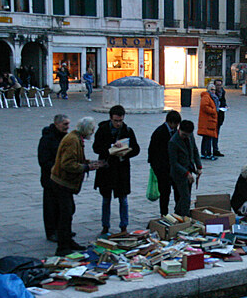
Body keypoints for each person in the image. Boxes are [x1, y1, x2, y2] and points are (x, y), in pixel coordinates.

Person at [50, 117, 102, 256]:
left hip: (64, 182)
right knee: (65, 214)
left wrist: (90, 163)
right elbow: (67, 164)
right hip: (61, 182)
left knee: (68, 211)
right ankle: (62, 247)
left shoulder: (76, 138)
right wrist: (87, 167)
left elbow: (76, 159)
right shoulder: (73, 140)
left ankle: (67, 241)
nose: (92, 132)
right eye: (91, 130)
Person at [93, 105, 140, 235]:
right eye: (115, 121)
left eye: (120, 120)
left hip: (121, 169)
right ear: (110, 118)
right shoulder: (102, 130)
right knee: (106, 199)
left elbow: (136, 149)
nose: (118, 123)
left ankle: (124, 226)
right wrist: (111, 147)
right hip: (106, 170)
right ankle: (105, 225)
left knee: (123, 199)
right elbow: (96, 148)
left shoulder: (128, 130)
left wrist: (125, 152)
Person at [38, 114, 70, 242]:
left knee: (63, 206)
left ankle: (62, 229)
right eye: (65, 124)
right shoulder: (47, 139)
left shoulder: (65, 138)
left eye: (68, 124)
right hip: (50, 178)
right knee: (51, 206)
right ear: (57, 124)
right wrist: (57, 168)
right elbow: (43, 160)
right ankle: (51, 231)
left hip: (62, 179)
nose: (67, 127)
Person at [148, 110, 181, 216]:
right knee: (165, 194)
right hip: (163, 170)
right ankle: (164, 215)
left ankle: (178, 213)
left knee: (178, 192)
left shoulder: (176, 132)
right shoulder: (159, 132)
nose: (176, 126)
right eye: (175, 124)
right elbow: (153, 152)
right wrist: (158, 169)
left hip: (174, 169)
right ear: (170, 122)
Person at [168, 120, 202, 217]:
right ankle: (184, 216)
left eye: (187, 135)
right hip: (179, 173)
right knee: (185, 197)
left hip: (189, 169)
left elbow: (195, 150)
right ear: (179, 129)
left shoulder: (190, 136)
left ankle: (178, 215)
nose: (185, 137)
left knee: (185, 197)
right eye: (183, 135)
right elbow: (174, 163)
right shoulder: (173, 142)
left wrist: (199, 167)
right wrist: (186, 174)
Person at [198, 83, 219, 160]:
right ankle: (207, 154)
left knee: (207, 138)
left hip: (209, 120)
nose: (214, 91)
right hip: (207, 121)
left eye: (214, 90)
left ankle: (205, 153)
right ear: (209, 90)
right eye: (212, 89)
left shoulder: (210, 97)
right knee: (207, 138)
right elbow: (204, 106)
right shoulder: (206, 97)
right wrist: (213, 111)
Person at [213, 79, 227, 157]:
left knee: (217, 133)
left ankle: (215, 149)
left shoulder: (222, 92)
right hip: (214, 115)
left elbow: (223, 101)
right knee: (212, 134)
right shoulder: (212, 94)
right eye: (217, 85)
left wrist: (224, 106)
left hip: (220, 115)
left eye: (220, 85)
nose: (219, 87)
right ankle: (212, 149)